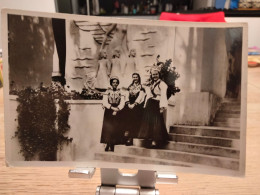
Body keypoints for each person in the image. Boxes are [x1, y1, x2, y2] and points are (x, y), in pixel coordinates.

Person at [138, 67, 169, 148]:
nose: (155, 76)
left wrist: (162, 107)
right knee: (149, 122)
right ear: (151, 75)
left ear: (159, 75)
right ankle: (149, 139)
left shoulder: (162, 84)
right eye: (153, 74)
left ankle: (155, 141)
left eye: (156, 74)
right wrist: (145, 104)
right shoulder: (151, 83)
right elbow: (148, 94)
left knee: (156, 123)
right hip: (150, 104)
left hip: (157, 104)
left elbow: (163, 96)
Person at [100, 76, 125, 152]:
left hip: (117, 110)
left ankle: (113, 144)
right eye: (113, 82)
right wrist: (111, 108)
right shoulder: (107, 91)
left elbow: (122, 102)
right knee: (108, 128)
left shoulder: (121, 92)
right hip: (109, 110)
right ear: (111, 83)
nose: (115, 84)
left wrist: (117, 109)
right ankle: (107, 143)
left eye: (116, 82)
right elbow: (104, 102)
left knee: (115, 128)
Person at [122, 73, 146, 145]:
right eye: (134, 77)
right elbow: (126, 96)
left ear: (139, 78)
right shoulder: (130, 86)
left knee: (135, 121)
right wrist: (128, 104)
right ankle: (126, 138)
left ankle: (132, 138)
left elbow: (141, 97)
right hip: (129, 105)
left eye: (136, 77)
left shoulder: (141, 87)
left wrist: (135, 104)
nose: (135, 78)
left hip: (137, 106)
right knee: (127, 121)